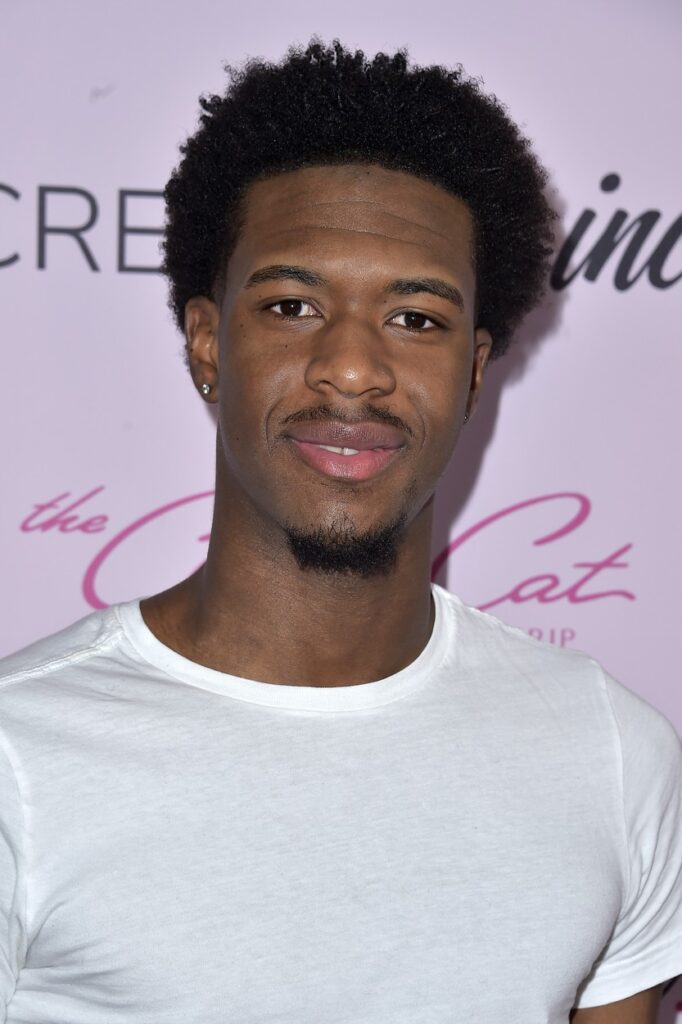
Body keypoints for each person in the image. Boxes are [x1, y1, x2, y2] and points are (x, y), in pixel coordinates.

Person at [0, 39, 680, 1024]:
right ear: (207, 343)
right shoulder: (20, 753)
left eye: (417, 319)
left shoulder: (610, 750)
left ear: (475, 368)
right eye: (293, 305)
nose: (353, 368)